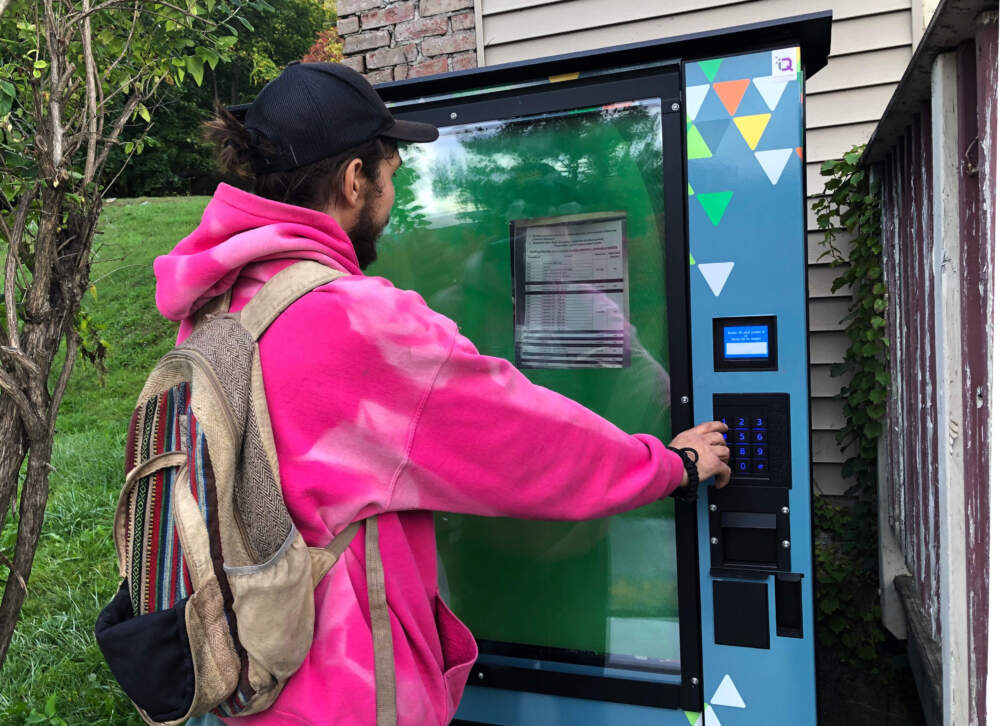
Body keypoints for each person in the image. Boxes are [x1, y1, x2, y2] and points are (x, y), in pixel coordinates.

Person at [162, 62, 730, 726]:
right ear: (354, 181)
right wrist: (675, 464)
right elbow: (528, 443)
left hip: (238, 673)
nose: (393, 199)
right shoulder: (359, 325)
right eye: (393, 177)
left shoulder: (216, 302)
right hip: (339, 693)